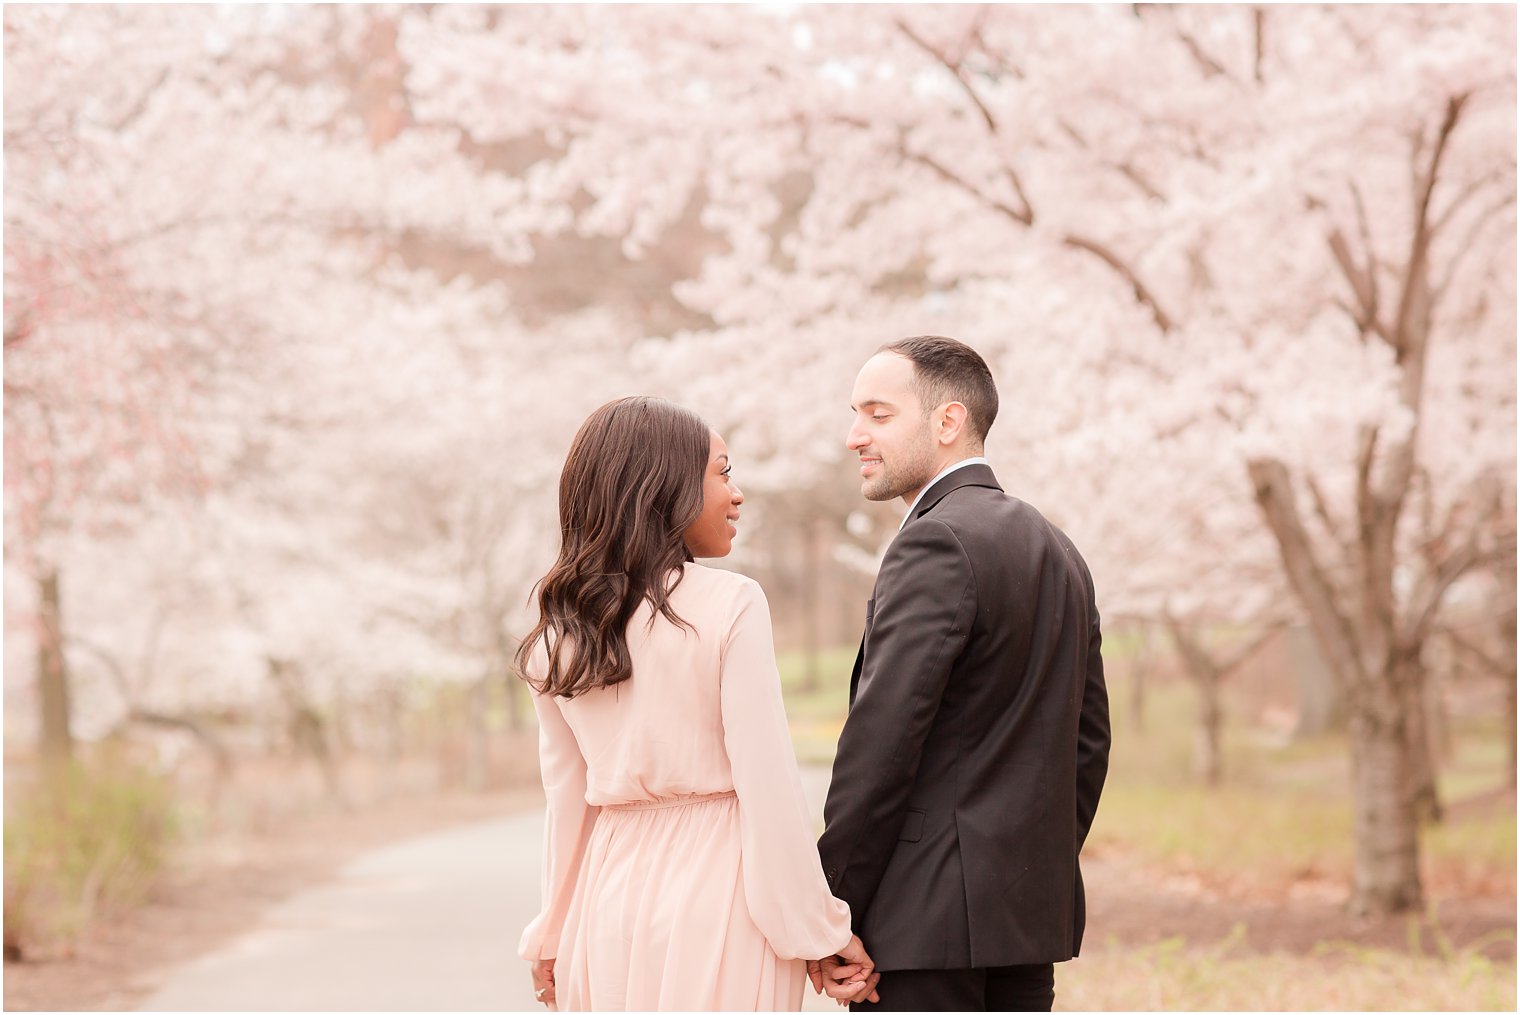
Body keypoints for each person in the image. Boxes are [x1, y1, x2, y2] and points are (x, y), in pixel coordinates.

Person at [517, 395, 878, 1011]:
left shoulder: (559, 632)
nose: (737, 495)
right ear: (664, 486)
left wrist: (553, 930)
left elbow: (568, 801)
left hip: (606, 904)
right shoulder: (730, 603)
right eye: (723, 472)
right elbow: (768, 791)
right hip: (719, 895)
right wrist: (820, 932)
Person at [812, 337, 1111, 1011]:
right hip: (1026, 921)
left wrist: (834, 909)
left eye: (877, 414)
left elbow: (882, 742)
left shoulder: (933, 540)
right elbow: (1088, 743)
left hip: (922, 930)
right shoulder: (1060, 549)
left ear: (947, 422)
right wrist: (1029, 867)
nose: (853, 435)